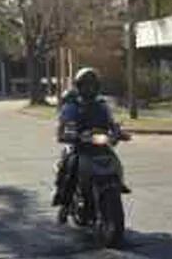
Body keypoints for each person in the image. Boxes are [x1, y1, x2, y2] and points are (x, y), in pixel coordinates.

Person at [52, 68, 128, 209]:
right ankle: (63, 196)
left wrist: (119, 132)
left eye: (93, 85)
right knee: (70, 163)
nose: (89, 89)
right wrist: (65, 134)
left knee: (114, 159)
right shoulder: (72, 106)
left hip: (100, 144)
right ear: (79, 86)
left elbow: (111, 122)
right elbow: (64, 123)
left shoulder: (102, 105)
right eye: (86, 85)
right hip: (80, 144)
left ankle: (118, 182)